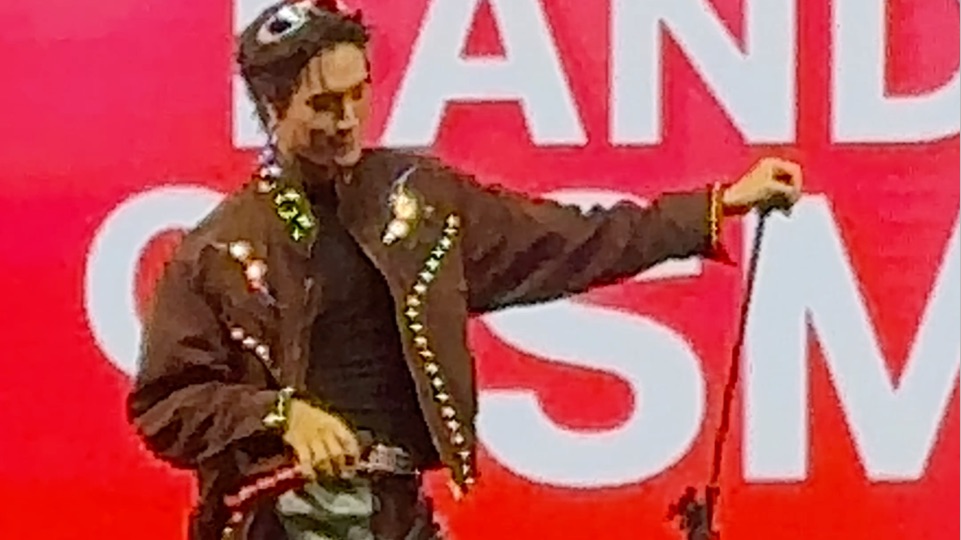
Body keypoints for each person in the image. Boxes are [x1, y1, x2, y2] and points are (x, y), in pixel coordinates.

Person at [126, 1, 803, 539]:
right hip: (282, 517)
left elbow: (567, 239)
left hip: (395, 509)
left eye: (358, 94)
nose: (348, 118)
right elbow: (165, 405)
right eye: (324, 105)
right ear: (274, 109)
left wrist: (714, 206)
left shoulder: (419, 199)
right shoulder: (219, 250)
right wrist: (281, 415)